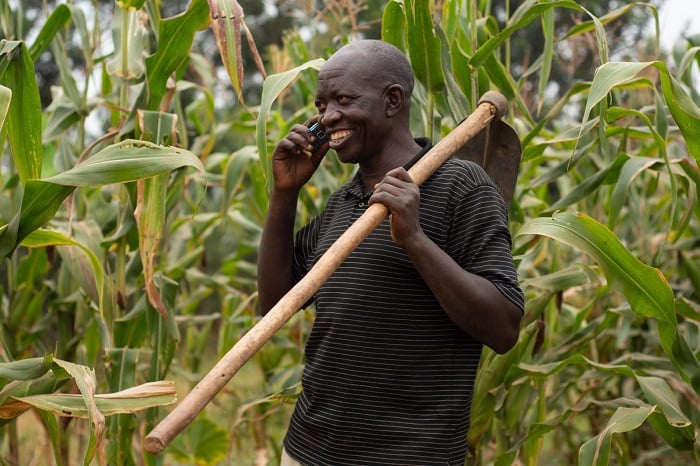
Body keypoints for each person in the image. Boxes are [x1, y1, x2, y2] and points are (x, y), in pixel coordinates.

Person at [257, 39, 524, 466]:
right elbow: (273, 307)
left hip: (410, 454)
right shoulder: (344, 204)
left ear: (392, 100)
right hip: (308, 450)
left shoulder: (462, 187)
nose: (327, 117)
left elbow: (504, 328)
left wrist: (414, 239)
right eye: (321, 104)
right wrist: (285, 193)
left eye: (343, 100)